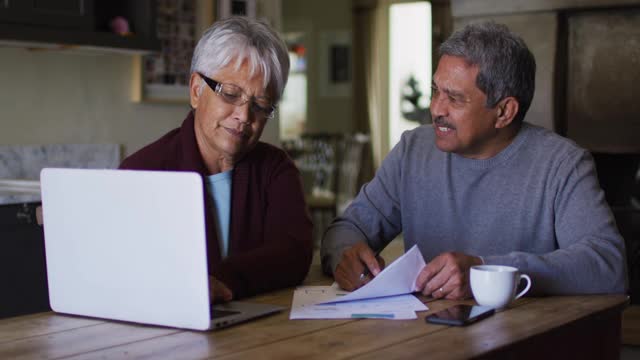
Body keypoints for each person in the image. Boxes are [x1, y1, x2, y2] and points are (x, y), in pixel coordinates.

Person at [321, 22, 627, 299]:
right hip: (425, 338)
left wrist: (487, 272)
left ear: (504, 112)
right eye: (435, 91)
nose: (436, 109)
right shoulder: (412, 150)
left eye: (454, 98)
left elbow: (608, 265)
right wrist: (345, 254)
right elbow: (346, 229)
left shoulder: (563, 164)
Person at [120, 16, 313, 303]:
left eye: (260, 106)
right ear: (197, 90)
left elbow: (294, 252)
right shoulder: (139, 172)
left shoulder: (276, 169)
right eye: (231, 94)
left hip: (258, 336)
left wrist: (222, 281)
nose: (244, 117)